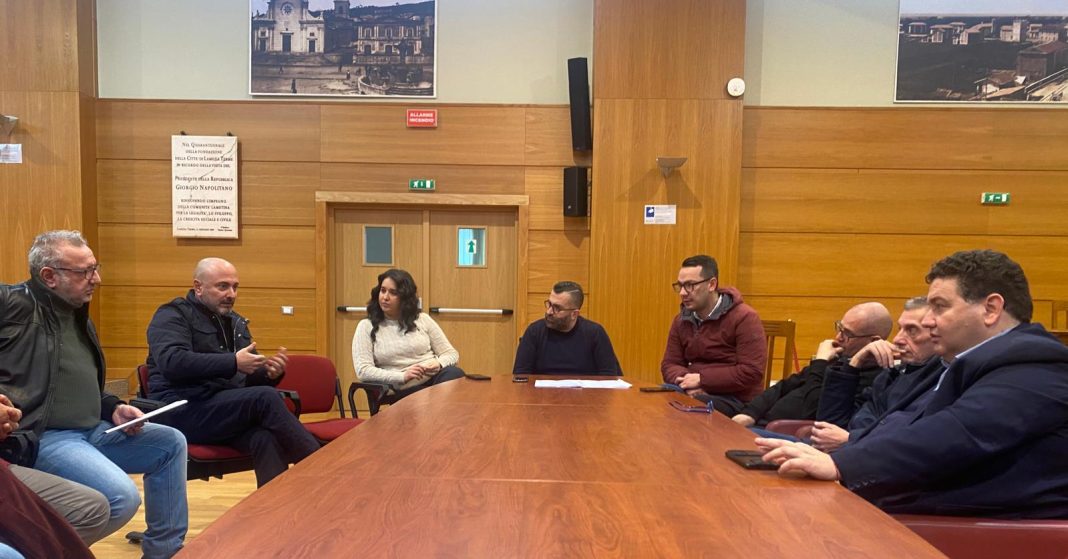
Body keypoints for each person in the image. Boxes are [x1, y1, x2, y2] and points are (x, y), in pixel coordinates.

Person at [758, 250, 1068, 518]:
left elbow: (957, 433)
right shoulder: (962, 363)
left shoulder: (1037, 364)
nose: (929, 320)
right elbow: (900, 426)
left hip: (953, 530)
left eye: (940, 307)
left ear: (991, 309)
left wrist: (840, 464)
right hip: (900, 503)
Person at [0, 230, 187, 558]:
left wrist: (113, 406)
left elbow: (76, 382)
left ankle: (165, 552)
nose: (96, 279)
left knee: (170, 443)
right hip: (46, 435)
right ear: (49, 276)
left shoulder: (79, 317)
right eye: (84, 271)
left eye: (95, 268)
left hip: (94, 429)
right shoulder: (13, 303)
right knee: (120, 497)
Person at [146, 257, 321, 487]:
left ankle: (275, 506)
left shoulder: (235, 322)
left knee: (265, 437)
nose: (231, 294)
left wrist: (268, 373)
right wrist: (233, 362)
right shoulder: (172, 315)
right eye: (223, 286)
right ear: (198, 287)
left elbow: (245, 380)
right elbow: (172, 362)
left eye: (235, 287)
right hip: (181, 409)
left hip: (219, 408)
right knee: (265, 398)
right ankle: (325, 471)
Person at [731, 302, 891, 431]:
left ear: (873, 341)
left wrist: (820, 362)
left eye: (847, 334)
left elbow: (812, 411)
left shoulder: (874, 379)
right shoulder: (839, 357)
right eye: (840, 328)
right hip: (760, 424)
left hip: (786, 433)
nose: (838, 337)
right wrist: (750, 413)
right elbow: (784, 386)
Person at [809, 297, 939, 452]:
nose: (897, 339)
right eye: (900, 329)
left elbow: (911, 443)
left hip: (863, 458)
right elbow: (829, 427)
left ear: (938, 334)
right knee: (779, 441)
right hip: (846, 454)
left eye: (912, 331)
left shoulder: (942, 383)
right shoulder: (892, 375)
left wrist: (850, 440)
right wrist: (854, 363)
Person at [660, 255, 767, 415]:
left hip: (735, 399)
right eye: (680, 286)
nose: (682, 293)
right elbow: (669, 364)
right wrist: (688, 381)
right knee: (659, 395)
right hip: (692, 391)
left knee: (685, 407)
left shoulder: (745, 317)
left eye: (690, 285)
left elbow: (751, 371)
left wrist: (702, 380)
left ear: (711, 284)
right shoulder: (681, 320)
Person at [0, 392, 110, 546]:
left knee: (95, 505)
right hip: (46, 432)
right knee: (113, 499)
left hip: (93, 425)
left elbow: (88, 389)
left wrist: (112, 405)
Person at [352, 269, 464, 399]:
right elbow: (363, 370)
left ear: (405, 298)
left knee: (455, 374)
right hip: (400, 387)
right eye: (383, 291)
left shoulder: (422, 319)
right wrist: (402, 376)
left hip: (433, 380)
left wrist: (439, 363)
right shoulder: (366, 326)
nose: (385, 297)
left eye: (393, 293)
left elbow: (451, 354)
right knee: (433, 397)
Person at [512, 281, 620, 375]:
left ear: (574, 314)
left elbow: (609, 377)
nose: (549, 311)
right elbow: (520, 376)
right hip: (542, 393)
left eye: (557, 308)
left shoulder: (595, 334)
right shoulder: (534, 332)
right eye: (549, 304)